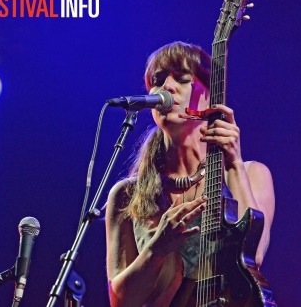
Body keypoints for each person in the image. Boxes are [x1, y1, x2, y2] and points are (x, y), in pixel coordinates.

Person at [105, 41, 275, 307]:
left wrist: (234, 164)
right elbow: (120, 301)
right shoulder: (127, 195)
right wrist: (156, 249)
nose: (167, 88)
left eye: (183, 79)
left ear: (209, 96)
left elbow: (254, 255)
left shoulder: (252, 174)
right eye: (158, 81)